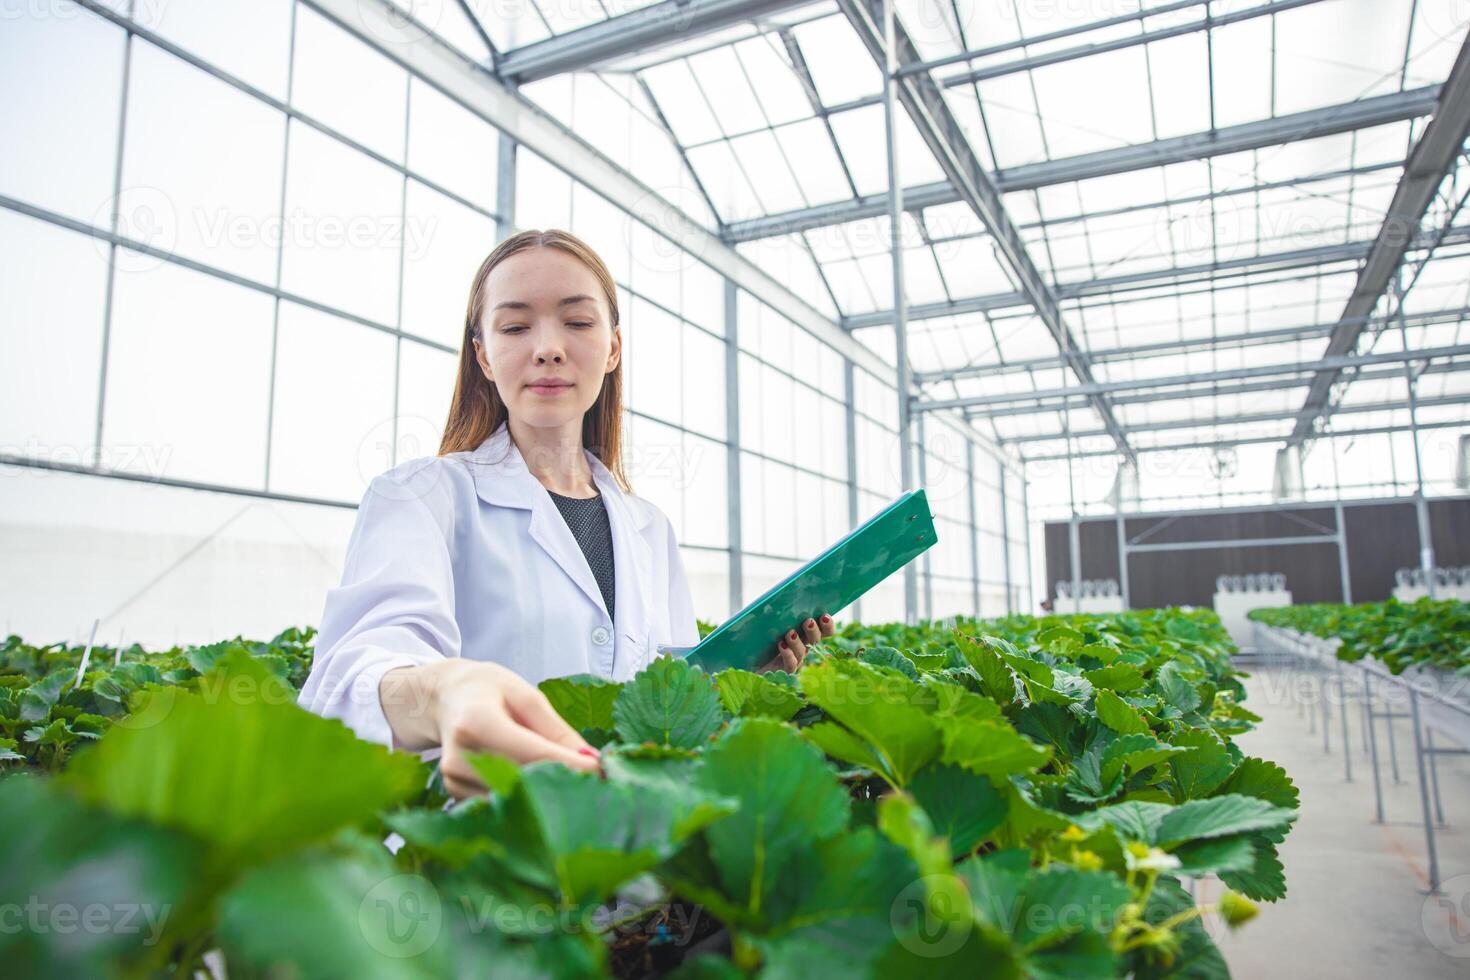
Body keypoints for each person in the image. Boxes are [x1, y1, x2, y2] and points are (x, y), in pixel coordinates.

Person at [298, 229, 836, 798]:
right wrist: (444, 692)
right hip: (481, 855)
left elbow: (670, 702)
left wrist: (749, 683)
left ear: (612, 348)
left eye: (577, 323)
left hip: (632, 857)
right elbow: (356, 667)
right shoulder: (420, 497)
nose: (548, 347)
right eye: (515, 326)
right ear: (482, 354)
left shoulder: (650, 529)